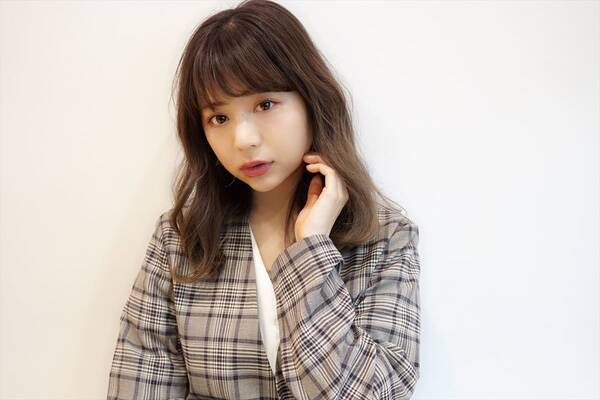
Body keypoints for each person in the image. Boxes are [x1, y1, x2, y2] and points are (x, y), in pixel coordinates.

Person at [106, 0, 421, 399]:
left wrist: (311, 250)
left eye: (265, 104)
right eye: (219, 118)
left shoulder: (385, 237)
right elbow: (139, 384)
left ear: (312, 99)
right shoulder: (182, 238)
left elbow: (372, 393)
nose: (243, 139)